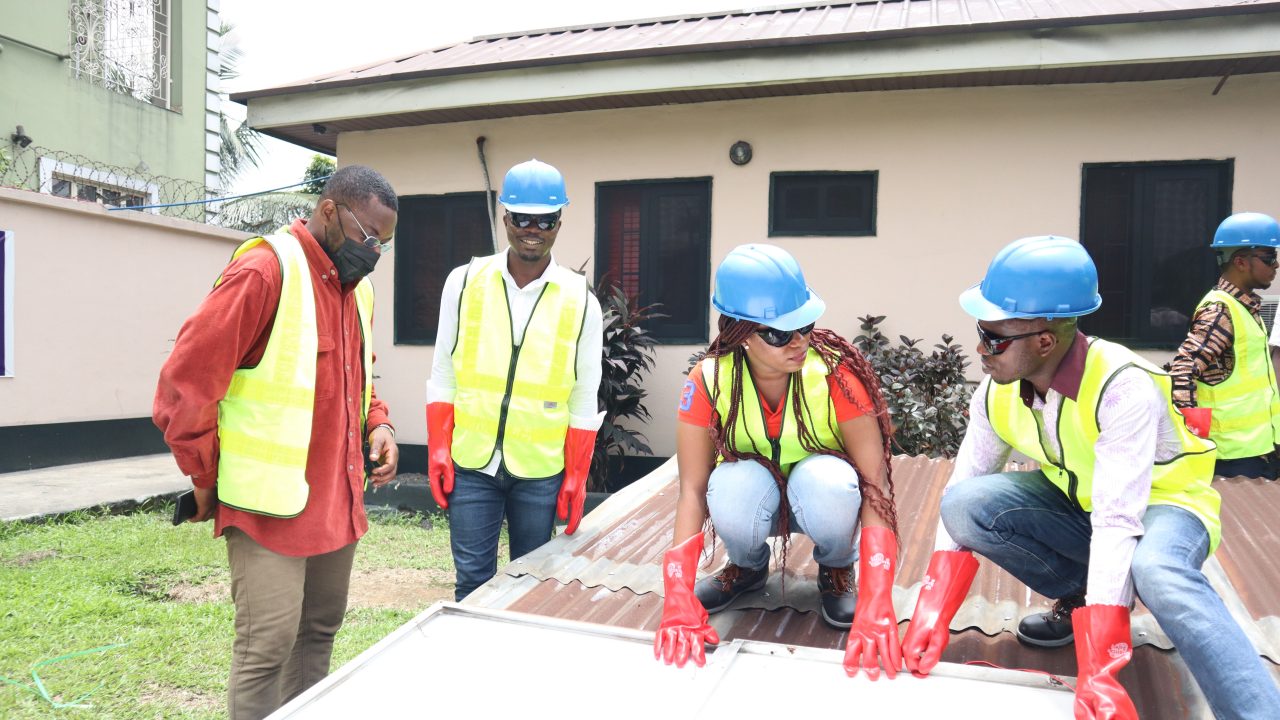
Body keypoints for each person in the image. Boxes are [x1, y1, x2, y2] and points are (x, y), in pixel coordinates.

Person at [900, 236, 1280, 719]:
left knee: (1158, 573)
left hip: (1165, 505)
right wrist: (931, 612)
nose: (980, 348)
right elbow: (962, 487)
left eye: (994, 337)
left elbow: (1118, 518)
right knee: (964, 507)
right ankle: (1082, 593)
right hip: (1080, 504)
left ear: (1044, 341)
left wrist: (1099, 667)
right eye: (981, 330)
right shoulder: (996, 392)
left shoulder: (1123, 388)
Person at [153, 165, 401, 720]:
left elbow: (361, 376)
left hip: (336, 500)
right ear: (330, 211)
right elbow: (184, 386)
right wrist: (205, 479)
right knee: (267, 647)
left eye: (383, 244)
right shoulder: (265, 272)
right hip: (267, 507)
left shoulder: (356, 292)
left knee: (318, 633)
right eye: (368, 238)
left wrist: (378, 423)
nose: (374, 253)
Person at [653, 243, 902, 678]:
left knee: (829, 480)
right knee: (729, 483)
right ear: (740, 334)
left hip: (824, 504)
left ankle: (838, 568)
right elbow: (691, 490)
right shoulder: (708, 380)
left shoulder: (837, 374)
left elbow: (875, 483)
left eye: (805, 325)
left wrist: (879, 597)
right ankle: (747, 569)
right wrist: (677, 594)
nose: (800, 341)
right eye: (779, 333)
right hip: (757, 503)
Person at [426, 158, 603, 601]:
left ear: (559, 222)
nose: (532, 229)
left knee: (533, 588)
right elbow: (443, 372)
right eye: (522, 218)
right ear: (504, 217)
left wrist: (577, 474)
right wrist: (439, 446)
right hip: (472, 464)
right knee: (472, 584)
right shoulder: (464, 282)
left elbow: (584, 395)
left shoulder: (581, 300)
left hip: (540, 470)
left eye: (544, 220)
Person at [1169, 212, 1280, 480]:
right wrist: (1196, 442)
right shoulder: (1221, 311)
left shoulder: (1244, 307)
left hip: (1254, 449)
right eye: (1268, 258)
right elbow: (1182, 371)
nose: (1275, 265)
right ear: (1240, 262)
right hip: (1230, 458)